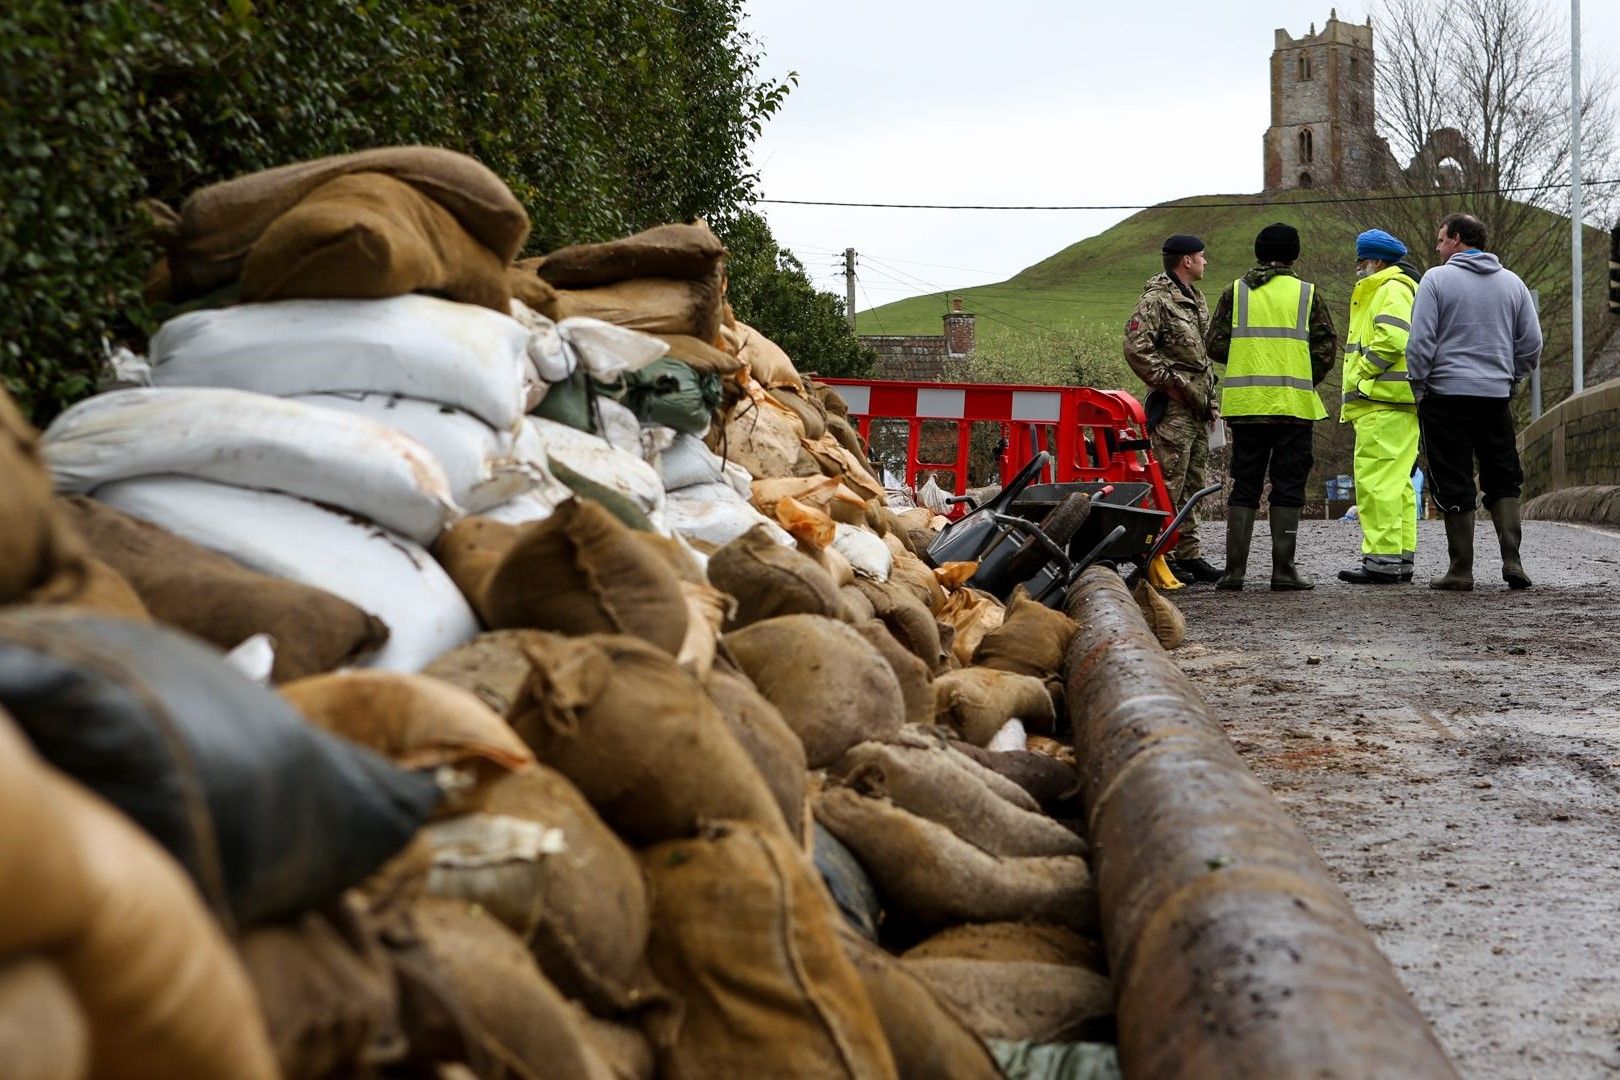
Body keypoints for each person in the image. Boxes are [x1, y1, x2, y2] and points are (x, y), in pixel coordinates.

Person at [1407, 212, 1542, 590]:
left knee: (1453, 477)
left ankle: (1461, 569)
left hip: (1445, 396)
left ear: (1458, 239)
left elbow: (1420, 342)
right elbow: (1531, 343)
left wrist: (1420, 386)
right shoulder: (1513, 283)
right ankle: (1512, 560)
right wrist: (1511, 376)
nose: (1437, 247)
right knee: (1503, 476)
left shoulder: (1436, 280)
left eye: (1441, 239)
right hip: (1494, 396)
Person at [1204, 223, 1337, 590]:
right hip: (1293, 405)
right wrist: (1302, 375)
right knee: (1289, 484)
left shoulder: (1235, 292)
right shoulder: (1307, 294)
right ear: (1294, 255)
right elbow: (1326, 348)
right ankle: (1284, 571)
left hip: (1246, 406)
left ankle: (1233, 573)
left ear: (1258, 253)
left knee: (1244, 483)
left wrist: (1250, 358)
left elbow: (1214, 344)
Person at [1123, 234, 1220, 584]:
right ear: (1187, 261)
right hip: (1174, 410)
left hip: (1197, 408)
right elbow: (1136, 348)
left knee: (1193, 483)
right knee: (1167, 482)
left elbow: (1202, 357)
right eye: (1201, 257)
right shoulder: (1157, 300)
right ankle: (1159, 554)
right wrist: (1172, 384)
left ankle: (1189, 554)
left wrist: (1209, 402)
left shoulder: (1195, 299)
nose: (1206, 262)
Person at [1337, 228, 1422, 584]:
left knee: (1376, 483)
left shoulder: (1388, 288)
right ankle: (1398, 559)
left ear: (1375, 260)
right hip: (1398, 401)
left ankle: (1381, 561)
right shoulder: (1402, 287)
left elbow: (1392, 339)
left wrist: (1362, 373)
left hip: (1381, 401)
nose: (1359, 269)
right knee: (1398, 483)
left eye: (1362, 261)